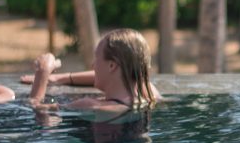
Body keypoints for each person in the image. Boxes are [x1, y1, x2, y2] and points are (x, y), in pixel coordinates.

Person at [28, 28, 161, 114]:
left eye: (97, 59)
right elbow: (133, 72)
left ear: (111, 66)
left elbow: (36, 108)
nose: (93, 66)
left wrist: (42, 74)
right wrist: (60, 78)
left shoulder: (90, 106)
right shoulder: (150, 96)